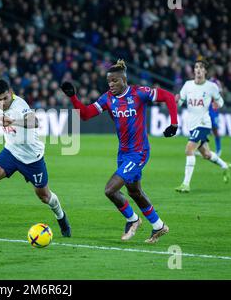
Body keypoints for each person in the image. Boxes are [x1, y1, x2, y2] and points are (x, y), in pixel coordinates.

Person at [60, 59, 178, 243]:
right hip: (123, 153)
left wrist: (174, 123)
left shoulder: (139, 93)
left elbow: (169, 97)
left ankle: (133, 220)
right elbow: (85, 115)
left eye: (114, 81)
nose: (111, 85)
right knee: (134, 192)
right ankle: (159, 226)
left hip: (139, 152)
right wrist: (73, 97)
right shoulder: (107, 98)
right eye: (109, 82)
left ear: (124, 80)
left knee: (110, 190)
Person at [0, 79, 71, 237]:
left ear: (11, 93)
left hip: (32, 158)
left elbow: (34, 122)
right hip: (11, 152)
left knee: (44, 196)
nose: (1, 103)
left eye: (5, 98)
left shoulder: (20, 105)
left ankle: (61, 217)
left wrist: (13, 121)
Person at [174, 58, 231, 193]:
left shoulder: (211, 87)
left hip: (204, 124)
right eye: (196, 67)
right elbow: (180, 102)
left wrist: (218, 104)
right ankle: (225, 166)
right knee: (206, 154)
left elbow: (220, 101)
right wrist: (177, 100)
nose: (198, 70)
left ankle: (185, 184)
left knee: (189, 149)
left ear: (205, 71)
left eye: (201, 68)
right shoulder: (187, 85)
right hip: (192, 124)